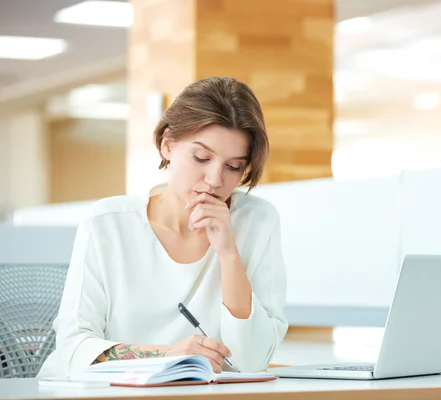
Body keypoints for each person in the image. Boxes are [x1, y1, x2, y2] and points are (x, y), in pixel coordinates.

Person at [37, 77, 288, 379]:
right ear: (168, 145)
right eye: (202, 157)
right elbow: (73, 348)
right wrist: (167, 357)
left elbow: (252, 360)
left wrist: (229, 255)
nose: (214, 179)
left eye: (233, 166)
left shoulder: (257, 221)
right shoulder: (107, 223)